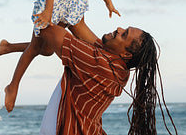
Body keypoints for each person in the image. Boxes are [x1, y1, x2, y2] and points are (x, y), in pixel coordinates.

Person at [38, 23, 177, 135]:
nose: (119, 29)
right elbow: (77, 25)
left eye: (124, 35)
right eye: (125, 29)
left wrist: (50, 0)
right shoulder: (117, 65)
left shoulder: (101, 65)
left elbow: (45, 28)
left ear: (126, 55)